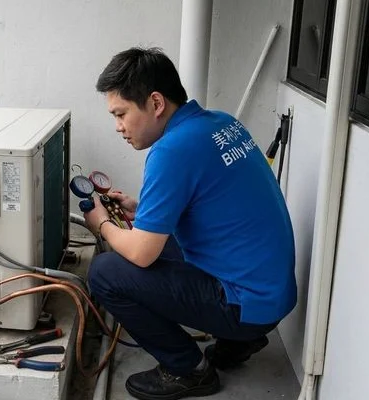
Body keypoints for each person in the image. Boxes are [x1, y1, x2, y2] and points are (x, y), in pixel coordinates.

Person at [84, 47, 297, 399]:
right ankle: (235, 344)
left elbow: (141, 255)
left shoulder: (171, 150)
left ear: (155, 103)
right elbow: (213, 204)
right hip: (272, 293)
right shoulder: (220, 123)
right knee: (160, 239)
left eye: (121, 114)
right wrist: (142, 209)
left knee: (106, 272)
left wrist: (101, 224)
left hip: (246, 304)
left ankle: (188, 369)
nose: (118, 127)